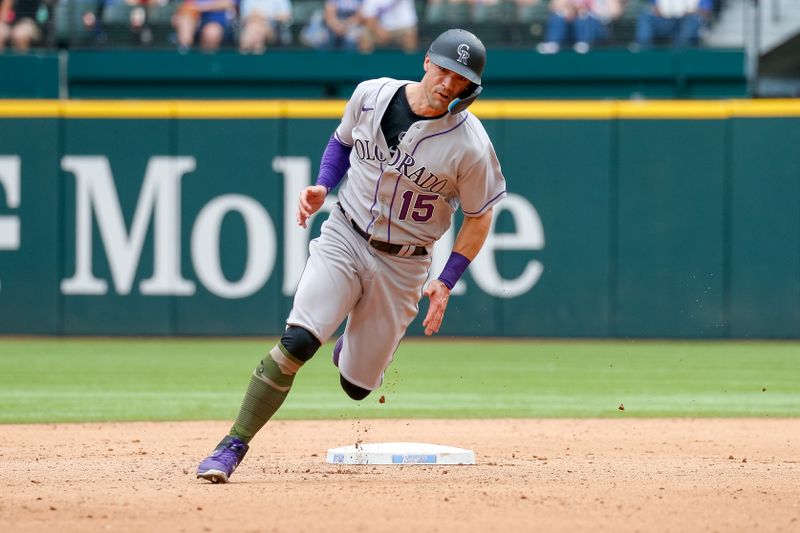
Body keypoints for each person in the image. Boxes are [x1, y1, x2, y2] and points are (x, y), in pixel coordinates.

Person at [196, 28, 507, 484]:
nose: (447, 83)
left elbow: (480, 217)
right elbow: (342, 142)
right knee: (298, 342)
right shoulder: (370, 95)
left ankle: (353, 349)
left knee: (357, 387)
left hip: (405, 262)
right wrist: (324, 183)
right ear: (426, 62)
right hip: (345, 233)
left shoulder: (471, 146)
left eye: (460, 78)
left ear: (470, 87)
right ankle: (231, 446)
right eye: (443, 69)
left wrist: (447, 279)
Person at [536, 0, 622, 54]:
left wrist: (591, 11)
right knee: (558, 16)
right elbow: (554, 6)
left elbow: (615, 12)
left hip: (597, 27)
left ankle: (583, 43)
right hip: (570, 27)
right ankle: (552, 44)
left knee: (585, 16)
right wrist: (570, 9)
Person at [633, 0, 712, 48]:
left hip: (687, 23)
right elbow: (654, 7)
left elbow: (705, 11)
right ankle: (643, 50)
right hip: (665, 21)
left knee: (693, 20)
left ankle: (681, 54)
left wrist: (689, 12)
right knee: (645, 15)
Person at [171, 0, 236, 52]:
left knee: (212, 32)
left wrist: (200, 7)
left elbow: (228, 3)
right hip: (192, 17)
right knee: (184, 22)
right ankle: (184, 54)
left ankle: (205, 63)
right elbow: (187, 5)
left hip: (215, 19)